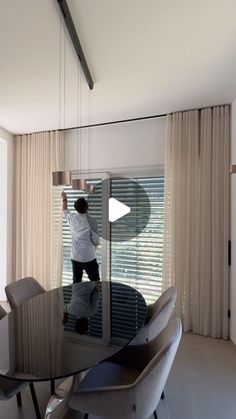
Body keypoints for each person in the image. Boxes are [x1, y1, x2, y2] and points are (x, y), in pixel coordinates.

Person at [61, 191, 100, 283]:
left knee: (76, 283)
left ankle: (76, 297)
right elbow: (96, 240)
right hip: (89, 257)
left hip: (75, 258)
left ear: (76, 208)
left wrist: (64, 198)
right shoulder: (92, 221)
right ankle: (95, 297)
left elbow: (64, 211)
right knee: (96, 282)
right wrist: (96, 246)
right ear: (87, 208)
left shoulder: (72, 218)